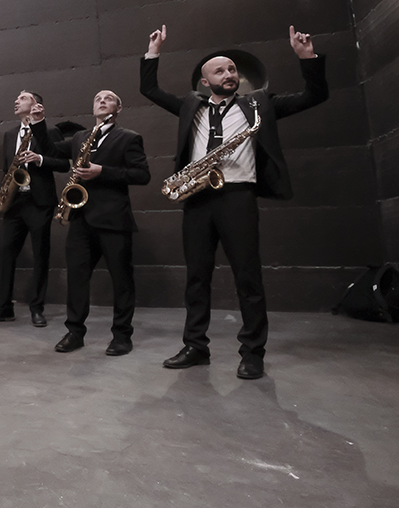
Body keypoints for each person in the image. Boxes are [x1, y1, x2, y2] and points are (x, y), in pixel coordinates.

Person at [140, 24, 328, 379]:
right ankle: (196, 346)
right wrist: (153, 52)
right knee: (196, 277)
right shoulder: (188, 106)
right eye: (220, 71)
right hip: (196, 196)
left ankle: (253, 352)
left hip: (238, 196)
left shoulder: (259, 104)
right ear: (205, 81)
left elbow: (314, 96)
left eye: (232, 69)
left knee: (248, 277)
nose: (229, 74)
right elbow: (148, 88)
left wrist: (308, 59)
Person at [32, 90, 150, 355]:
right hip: (82, 218)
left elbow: (142, 175)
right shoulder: (80, 137)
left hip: (114, 220)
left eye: (109, 98)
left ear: (118, 108)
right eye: (97, 98)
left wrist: (102, 171)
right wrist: (39, 123)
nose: (102, 100)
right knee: (76, 279)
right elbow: (50, 150)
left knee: (121, 280)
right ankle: (75, 332)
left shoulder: (129, 137)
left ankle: (122, 336)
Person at [0, 91, 69, 326]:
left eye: (23, 97)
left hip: (39, 202)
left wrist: (39, 159)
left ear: (36, 104)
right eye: (16, 98)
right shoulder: (9, 134)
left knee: (40, 254)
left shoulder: (49, 131)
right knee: (5, 253)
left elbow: (62, 163)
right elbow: (5, 167)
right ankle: (4, 307)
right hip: (15, 201)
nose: (16, 100)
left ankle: (37, 308)